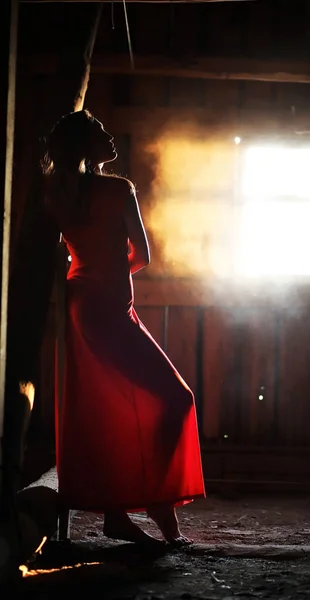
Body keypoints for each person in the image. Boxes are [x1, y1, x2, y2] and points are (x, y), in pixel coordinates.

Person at [44, 109, 205, 547]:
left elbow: (59, 257)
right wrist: (115, 270)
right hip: (114, 309)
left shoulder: (57, 193)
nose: (110, 136)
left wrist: (87, 269)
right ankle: (155, 509)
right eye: (99, 131)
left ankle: (126, 515)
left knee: (107, 412)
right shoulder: (119, 190)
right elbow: (142, 256)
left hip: (82, 309)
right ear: (85, 146)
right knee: (177, 398)